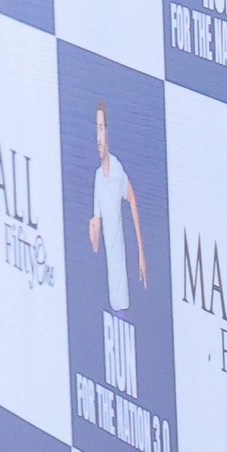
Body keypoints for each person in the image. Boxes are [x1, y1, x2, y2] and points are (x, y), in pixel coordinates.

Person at [87, 101, 144, 312]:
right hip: (109, 277)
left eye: (102, 129)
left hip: (123, 272)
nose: (98, 138)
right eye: (96, 129)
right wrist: (93, 230)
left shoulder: (118, 170)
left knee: (124, 310)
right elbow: (96, 240)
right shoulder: (97, 177)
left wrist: (141, 254)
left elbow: (133, 200)